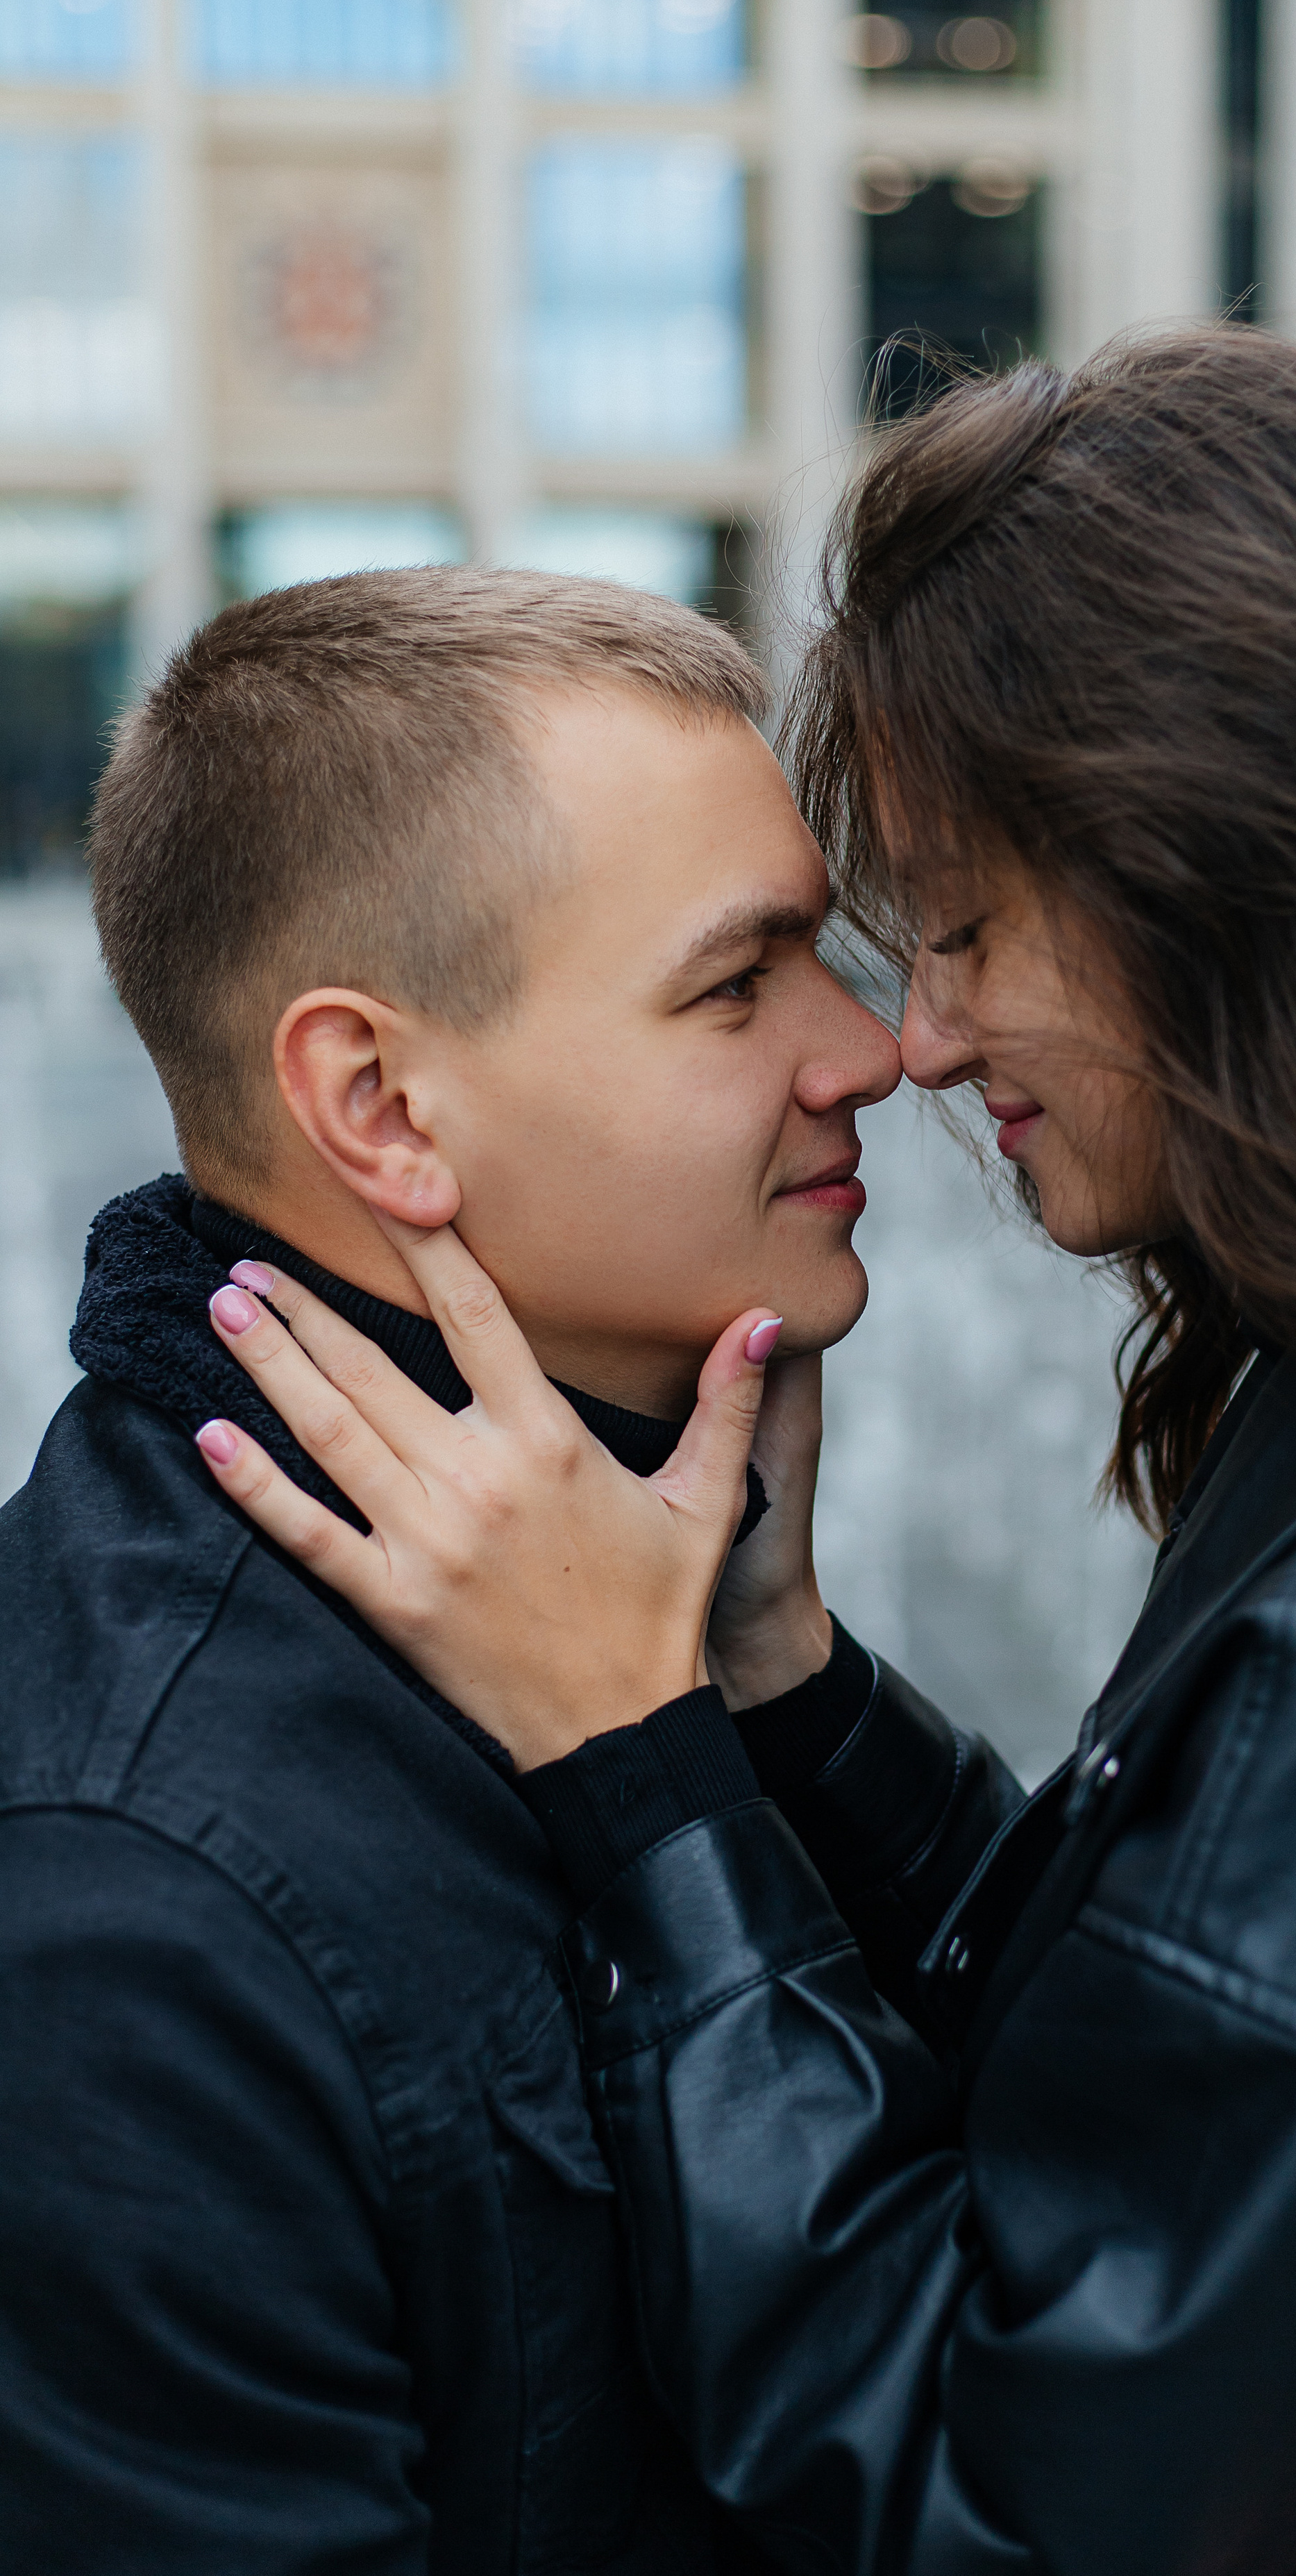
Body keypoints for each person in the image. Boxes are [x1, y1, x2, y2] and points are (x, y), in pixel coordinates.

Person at [198, 328, 1296, 2574]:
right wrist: (789, 1694)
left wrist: (642, 1776)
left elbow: (989, 2503)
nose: (914, 1040)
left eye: (956, 922)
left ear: (1210, 869)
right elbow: (1185, 2071)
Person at [0, 564, 902, 2570]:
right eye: (742, 982)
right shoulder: (126, 1914)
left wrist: (781, 1694)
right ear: (384, 1107)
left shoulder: (658, 1591)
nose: (875, 1051)